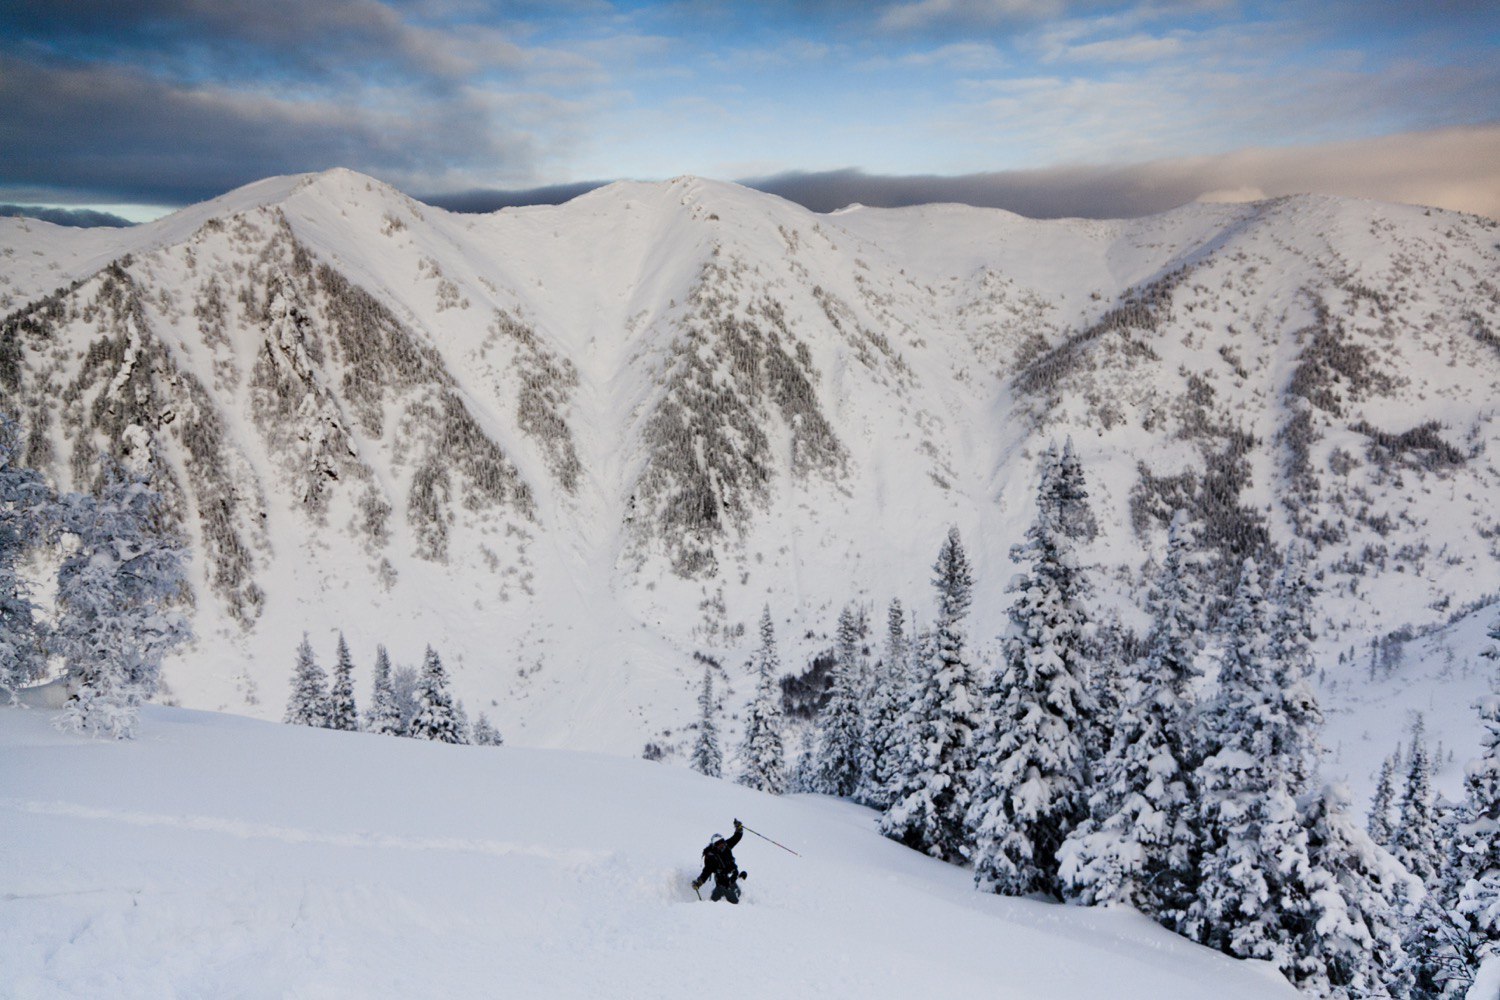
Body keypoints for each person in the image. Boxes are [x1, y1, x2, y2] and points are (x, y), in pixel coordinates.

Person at [692, 818, 748, 903]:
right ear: (715, 846)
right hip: (720, 876)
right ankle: (715, 900)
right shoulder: (712, 857)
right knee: (726, 891)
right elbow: (706, 871)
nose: (722, 845)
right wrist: (699, 882)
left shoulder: (726, 846)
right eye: (720, 844)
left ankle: (735, 886)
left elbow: (736, 837)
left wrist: (739, 828)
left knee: (737, 890)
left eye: (723, 842)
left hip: (730, 872)